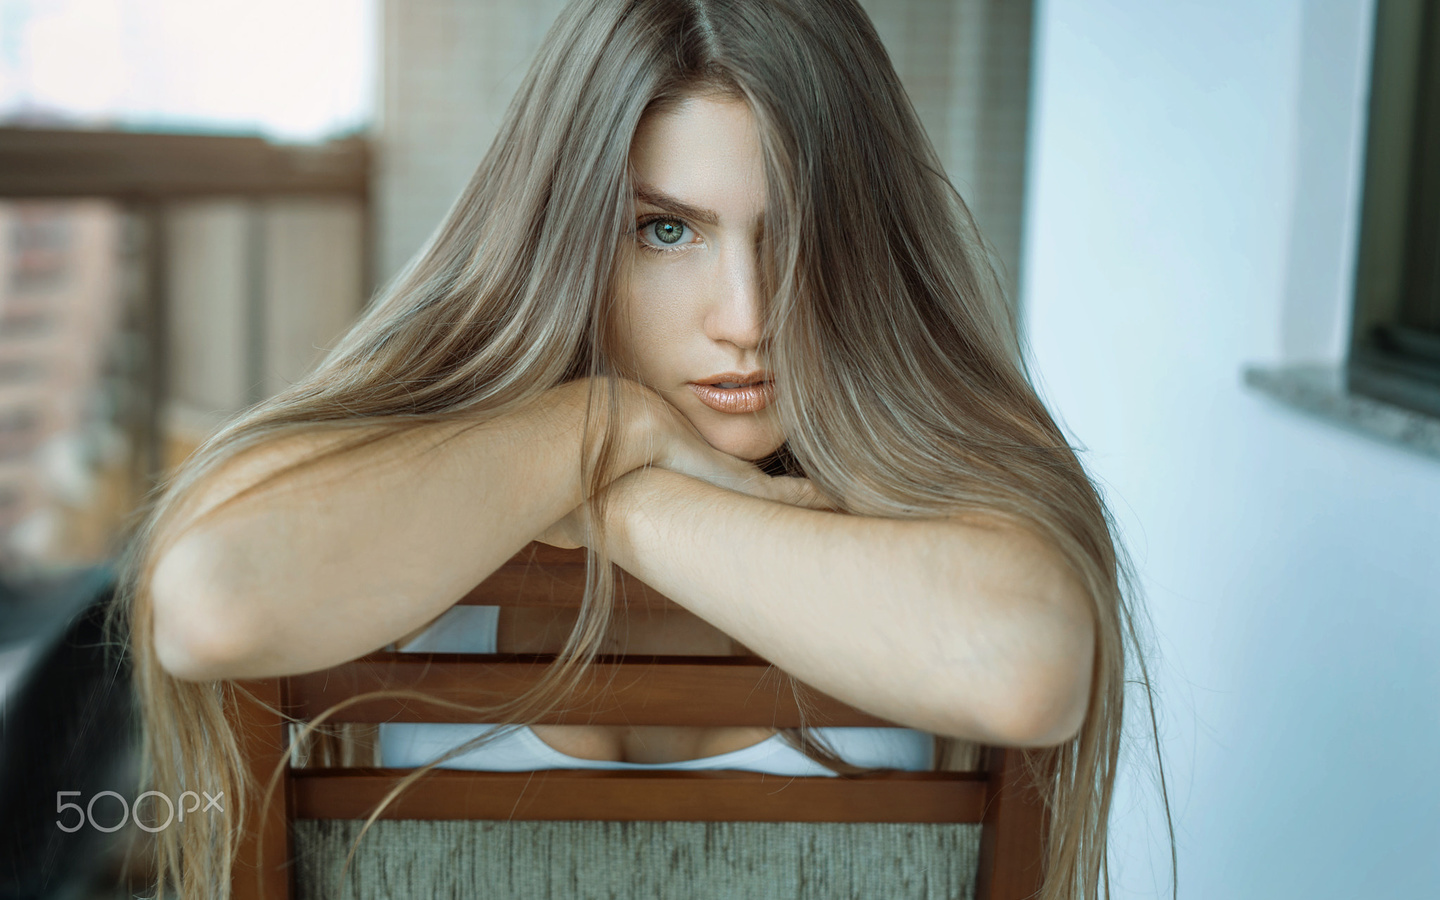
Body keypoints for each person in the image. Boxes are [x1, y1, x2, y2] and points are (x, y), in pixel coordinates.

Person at [110, 0, 1171, 897]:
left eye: (794, 232)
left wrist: (613, 494)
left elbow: (1028, 666)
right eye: (666, 230)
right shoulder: (418, 474)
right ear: (564, 231)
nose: (746, 317)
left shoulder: (943, 479)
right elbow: (212, 602)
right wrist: (598, 429)